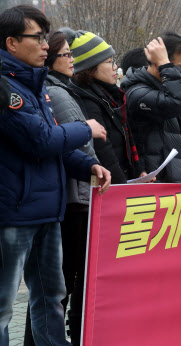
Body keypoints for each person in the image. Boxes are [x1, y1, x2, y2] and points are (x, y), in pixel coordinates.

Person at [0, 5, 110, 345]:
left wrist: (86, 165)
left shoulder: (35, 85)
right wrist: (85, 128)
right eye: (37, 37)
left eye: (47, 37)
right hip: (13, 215)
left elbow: (54, 147)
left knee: (51, 299)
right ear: (12, 43)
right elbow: (39, 140)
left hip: (47, 212)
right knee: (4, 306)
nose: (45, 44)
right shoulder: (7, 89)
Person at [122, 33, 181, 183]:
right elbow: (177, 103)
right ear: (157, 63)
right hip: (154, 183)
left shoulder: (170, 90)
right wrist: (164, 62)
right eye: (179, 68)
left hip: (179, 183)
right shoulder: (138, 92)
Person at [66, 28, 145, 185]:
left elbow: (126, 141)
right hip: (112, 185)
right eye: (109, 62)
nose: (115, 67)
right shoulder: (87, 99)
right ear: (89, 67)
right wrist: (123, 187)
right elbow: (104, 151)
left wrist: (139, 172)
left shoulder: (111, 96)